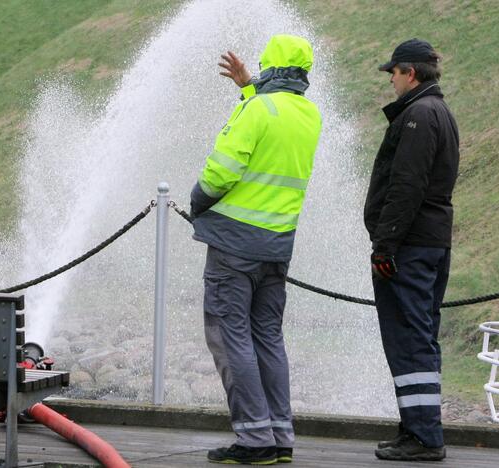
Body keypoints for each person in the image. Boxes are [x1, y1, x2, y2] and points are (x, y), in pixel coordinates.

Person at [189, 34, 322, 465]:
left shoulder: (256, 110)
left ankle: (253, 440)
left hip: (234, 246)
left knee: (232, 339)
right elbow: (270, 126)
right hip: (277, 247)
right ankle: (280, 437)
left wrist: (198, 200)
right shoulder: (309, 114)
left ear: (269, 67)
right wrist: (248, 88)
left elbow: (220, 172)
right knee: (268, 337)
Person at [364, 39, 459, 461]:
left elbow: (406, 186)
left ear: (411, 74)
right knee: (420, 336)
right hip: (430, 242)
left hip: (411, 246)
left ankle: (423, 437)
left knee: (410, 338)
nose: (391, 80)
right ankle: (417, 428)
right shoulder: (439, 111)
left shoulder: (419, 114)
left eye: (394, 73)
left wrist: (385, 246)